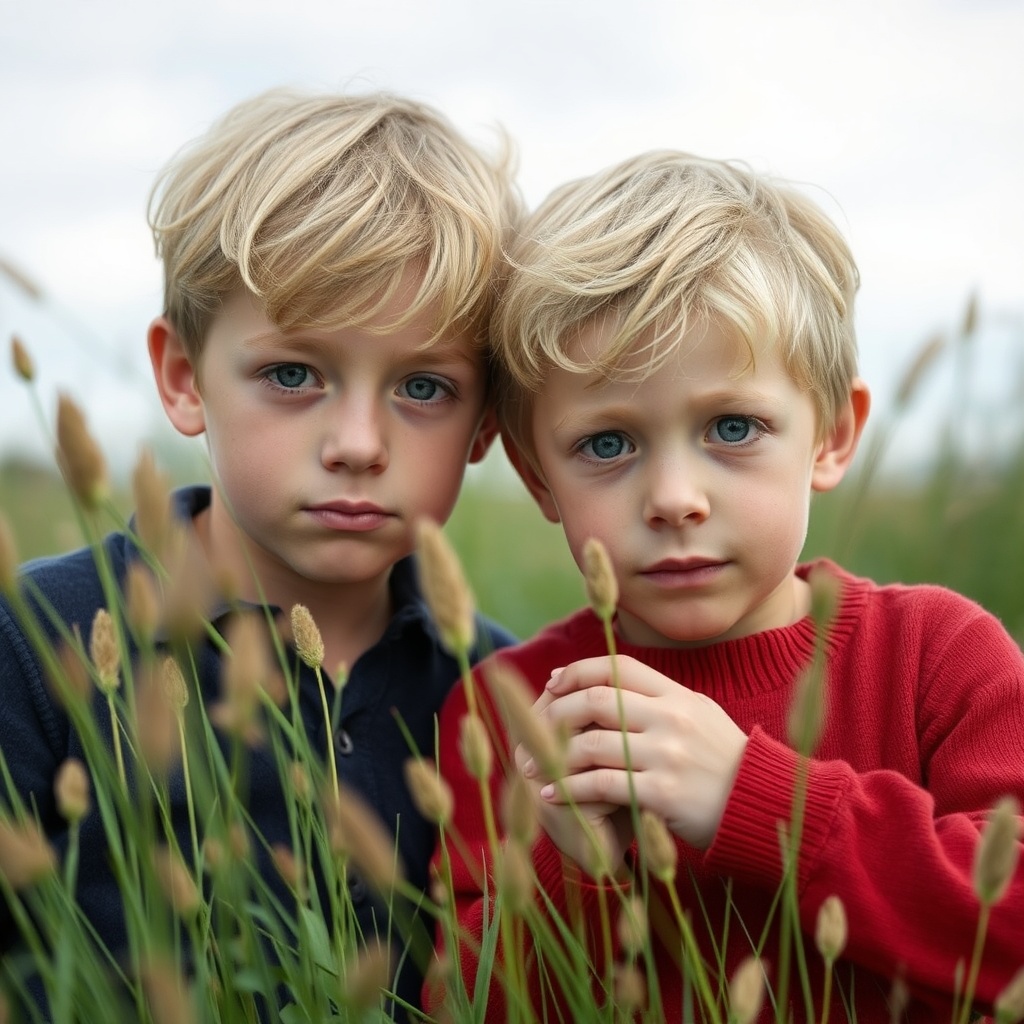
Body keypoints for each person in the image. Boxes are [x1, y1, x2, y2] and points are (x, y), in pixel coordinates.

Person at [428, 151, 1024, 1022]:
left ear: (830, 435)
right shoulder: (511, 713)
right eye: (606, 444)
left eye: (732, 427)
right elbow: (461, 1003)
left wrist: (758, 801)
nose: (674, 498)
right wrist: (572, 871)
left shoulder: (939, 658)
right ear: (537, 476)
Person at [0, 89, 519, 1019]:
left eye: (424, 386)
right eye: (293, 374)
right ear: (185, 379)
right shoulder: (38, 639)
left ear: (485, 425)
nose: (358, 442)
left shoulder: (498, 690)